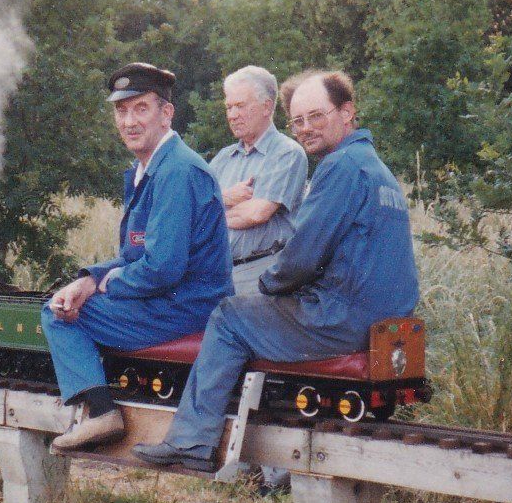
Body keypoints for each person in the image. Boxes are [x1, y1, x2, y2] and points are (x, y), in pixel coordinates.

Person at [134, 70, 419, 471]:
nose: (305, 128)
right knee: (252, 316)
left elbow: (302, 255)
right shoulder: (377, 171)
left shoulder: (341, 167)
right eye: (298, 121)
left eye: (316, 116)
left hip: (343, 319)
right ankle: (262, 460)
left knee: (230, 316)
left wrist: (268, 286)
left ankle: (191, 443)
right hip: (384, 320)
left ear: (347, 112)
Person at [44, 62, 233, 451]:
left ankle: (101, 414)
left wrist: (108, 285)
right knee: (70, 299)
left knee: (57, 314)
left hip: (187, 306)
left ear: (166, 113)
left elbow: (161, 269)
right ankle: (100, 408)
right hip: (172, 301)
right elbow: (134, 254)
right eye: (121, 110)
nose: (129, 121)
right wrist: (89, 279)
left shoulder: (177, 172)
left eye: (140, 108)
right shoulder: (147, 169)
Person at [210, 65, 309, 294]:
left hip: (259, 275)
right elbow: (188, 210)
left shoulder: (287, 153)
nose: (232, 115)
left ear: (267, 106)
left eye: (240, 106)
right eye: (229, 107)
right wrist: (226, 197)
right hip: (215, 274)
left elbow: (256, 213)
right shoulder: (222, 159)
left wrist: (209, 212)